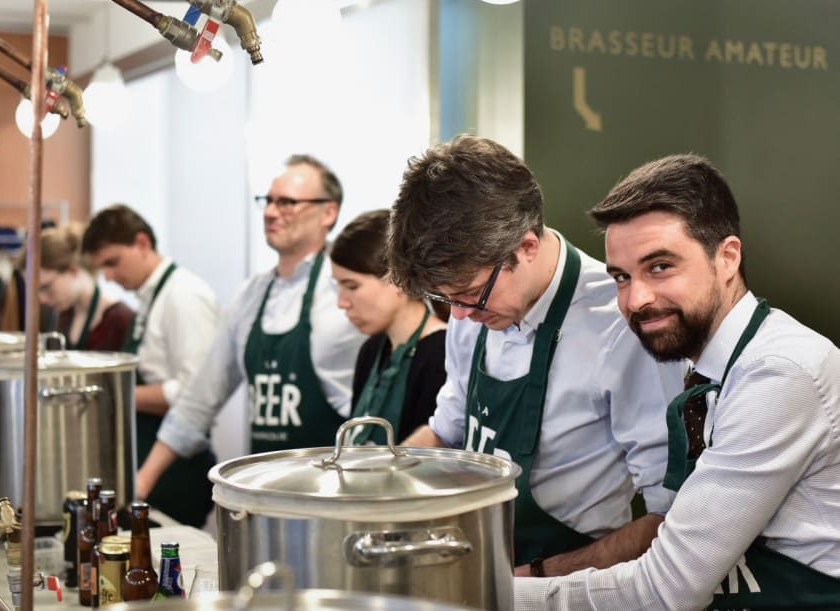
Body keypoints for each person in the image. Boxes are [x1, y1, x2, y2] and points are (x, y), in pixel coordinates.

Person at [515, 154, 840, 610]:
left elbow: (665, 591)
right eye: (622, 277)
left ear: (727, 257)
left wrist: (494, 595)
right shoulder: (698, 367)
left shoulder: (779, 373)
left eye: (660, 267)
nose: (636, 299)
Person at [387, 135, 682, 575]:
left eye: (469, 295)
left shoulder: (621, 323)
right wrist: (372, 486)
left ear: (526, 246)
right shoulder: (472, 310)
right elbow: (446, 433)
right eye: (446, 300)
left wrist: (530, 582)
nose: (461, 315)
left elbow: (668, 521)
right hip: (472, 566)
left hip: (568, 586)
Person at [136, 155, 365, 499]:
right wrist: (142, 482)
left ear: (328, 213)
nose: (271, 212)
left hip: (339, 497)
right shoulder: (251, 296)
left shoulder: (347, 293)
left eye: (287, 202)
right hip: (269, 494)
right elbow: (200, 398)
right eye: (268, 201)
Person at [82, 204, 220, 527]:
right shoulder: (149, 297)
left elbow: (194, 394)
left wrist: (115, 395)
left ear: (142, 244)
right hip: (148, 455)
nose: (109, 277)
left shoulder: (185, 296)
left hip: (178, 469)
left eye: (113, 263)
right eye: (102, 268)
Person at [330, 209, 447, 444]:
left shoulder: (442, 355)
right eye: (338, 286)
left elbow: (431, 466)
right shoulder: (371, 350)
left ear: (398, 278)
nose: (341, 303)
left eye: (352, 286)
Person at [30, 223, 134, 351]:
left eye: (46, 287)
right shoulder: (63, 315)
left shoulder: (121, 320)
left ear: (72, 271)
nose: (42, 299)